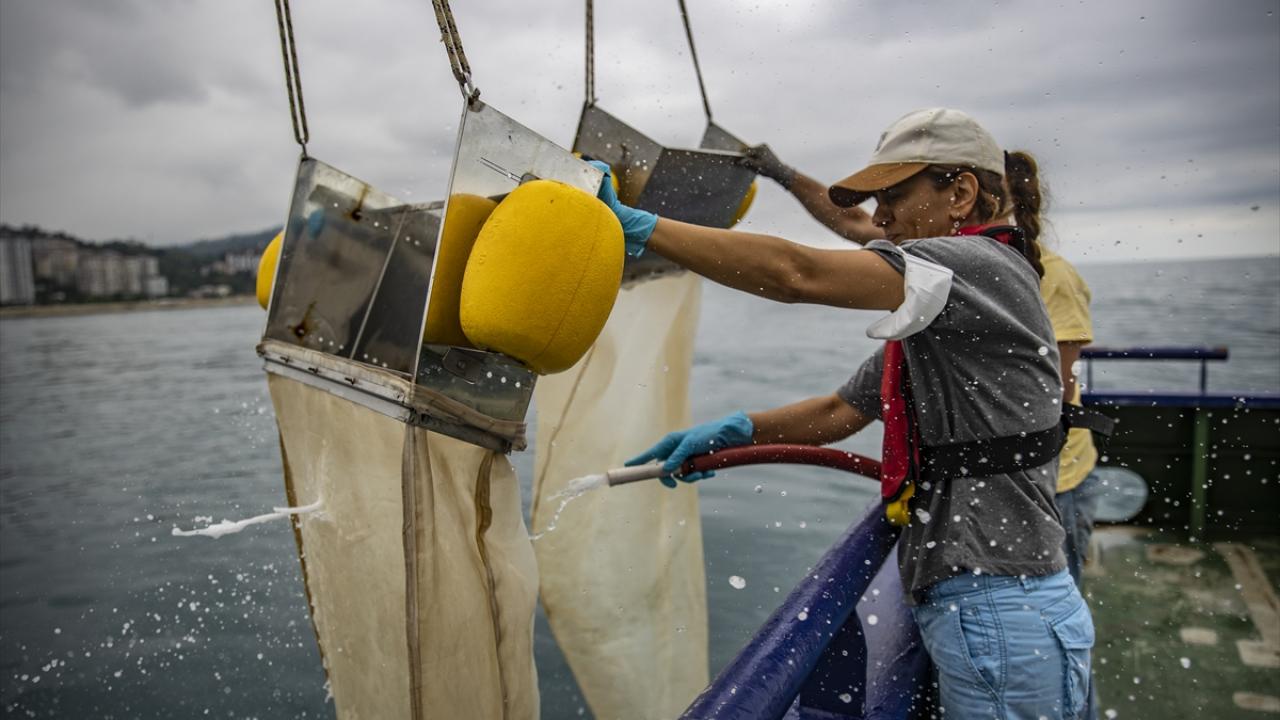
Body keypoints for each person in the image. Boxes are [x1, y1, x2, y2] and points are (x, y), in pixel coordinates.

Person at [592, 107, 1095, 719]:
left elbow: (796, 273)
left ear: (961, 192)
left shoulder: (974, 267)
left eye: (894, 196)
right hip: (980, 596)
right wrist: (737, 433)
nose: (878, 218)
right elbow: (840, 411)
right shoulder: (945, 304)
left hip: (1000, 602)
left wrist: (640, 227)